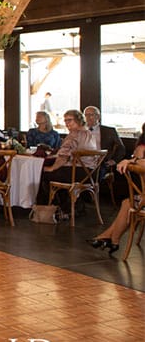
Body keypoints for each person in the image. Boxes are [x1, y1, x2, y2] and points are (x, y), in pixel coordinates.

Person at [87, 124, 145, 255]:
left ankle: (111, 238)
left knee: (130, 203)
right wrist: (133, 160)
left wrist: (132, 161)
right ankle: (112, 239)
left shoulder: (141, 148)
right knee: (128, 203)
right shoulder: (141, 148)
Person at [36, 109, 97, 214]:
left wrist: (51, 168)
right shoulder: (89, 134)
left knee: (43, 174)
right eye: (65, 121)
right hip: (90, 174)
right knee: (58, 173)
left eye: (70, 120)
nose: (67, 123)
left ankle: (55, 209)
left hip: (76, 173)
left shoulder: (74, 135)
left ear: (78, 120)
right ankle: (75, 205)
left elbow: (63, 157)